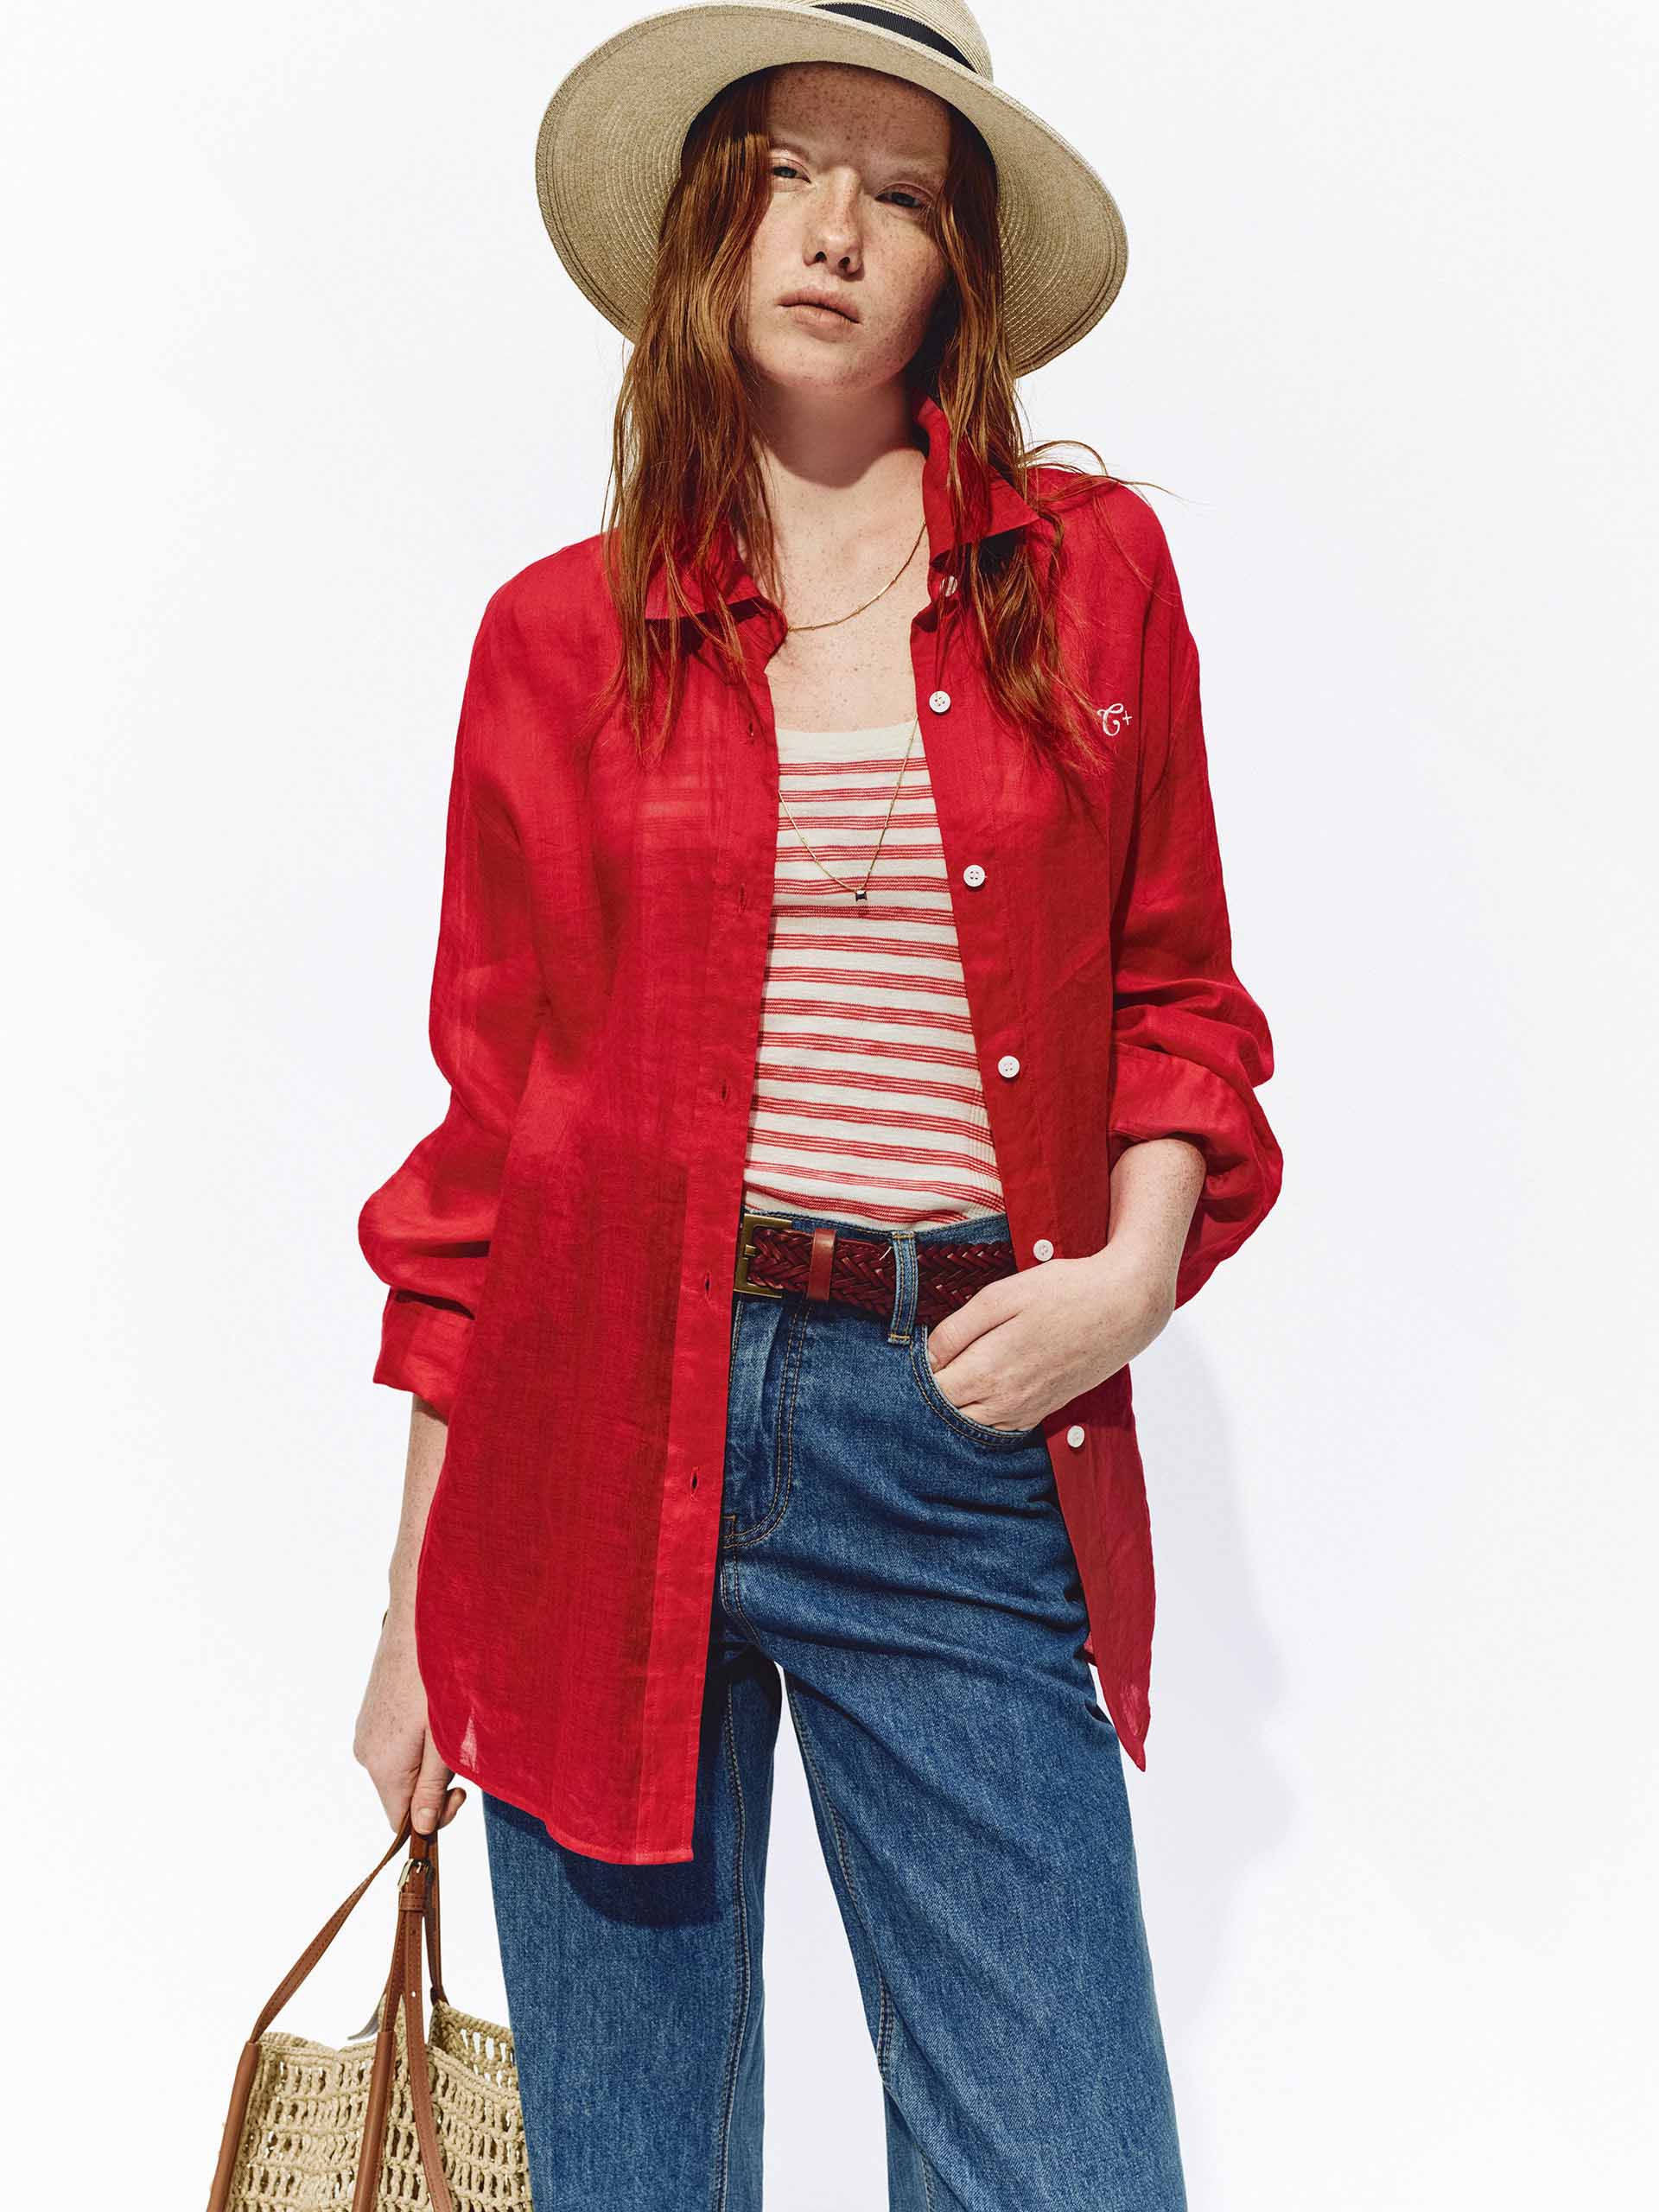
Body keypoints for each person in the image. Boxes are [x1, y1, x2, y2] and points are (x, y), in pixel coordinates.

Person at [352, 4, 1282, 2205]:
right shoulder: (557, 639)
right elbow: (485, 1158)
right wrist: (412, 1612)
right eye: (785, 171)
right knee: (635, 2174)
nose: (835, 230)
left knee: (1064, 2167)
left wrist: (1130, 1279)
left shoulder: (1090, 575)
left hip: (958, 1433)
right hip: (596, 1439)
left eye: (900, 190)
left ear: (960, 264)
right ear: (709, 219)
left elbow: (1178, 995)